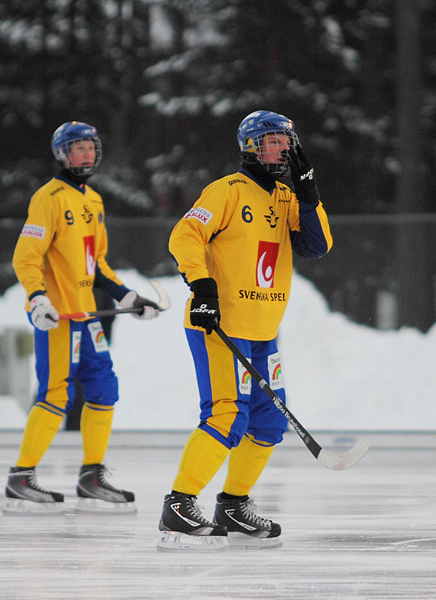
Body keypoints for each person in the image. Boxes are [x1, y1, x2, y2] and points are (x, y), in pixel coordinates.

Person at [157, 110, 332, 551]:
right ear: (251, 146)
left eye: (286, 141)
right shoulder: (227, 191)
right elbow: (184, 235)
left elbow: (318, 245)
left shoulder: (289, 198)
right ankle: (178, 505)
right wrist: (201, 285)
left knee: (271, 420)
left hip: (263, 331)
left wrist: (309, 195)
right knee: (225, 413)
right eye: (272, 141)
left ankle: (233, 505)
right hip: (221, 326)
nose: (282, 148)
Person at [6, 121, 161, 515]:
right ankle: (21, 478)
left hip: (87, 314)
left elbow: (97, 265)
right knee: (56, 395)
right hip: (56, 317)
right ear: (61, 155)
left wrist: (127, 297)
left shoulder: (93, 200)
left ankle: (92, 477)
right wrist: (38, 298)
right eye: (76, 149)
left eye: (90, 148)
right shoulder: (49, 197)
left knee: (104, 388)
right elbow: (26, 257)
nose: (85, 155)